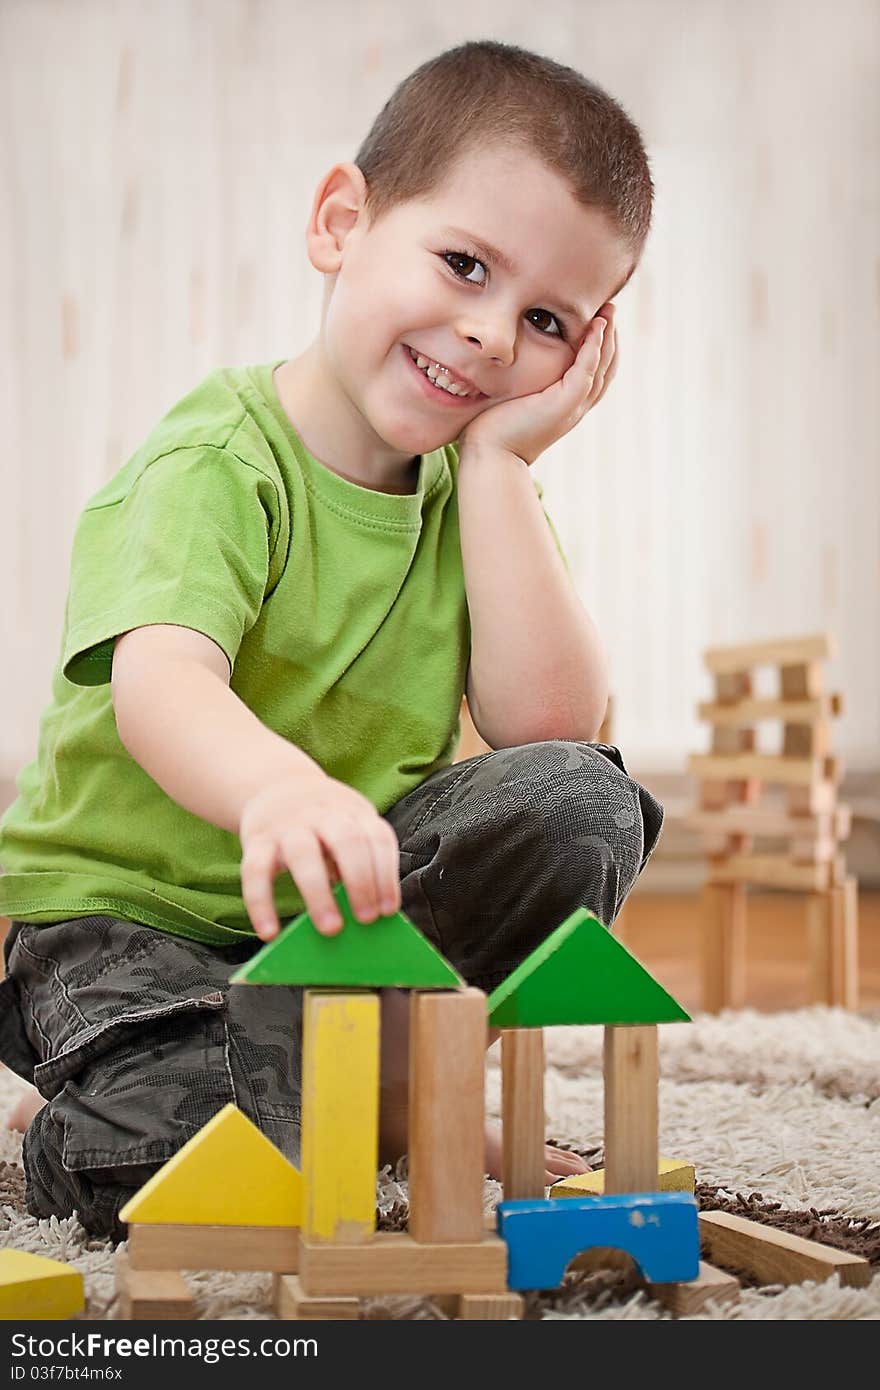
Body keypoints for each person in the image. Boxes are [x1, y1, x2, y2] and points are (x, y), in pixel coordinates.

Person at [0, 39, 663, 1240]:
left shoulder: (477, 492)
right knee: (181, 1153)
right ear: (340, 221)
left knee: (586, 802)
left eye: (548, 319)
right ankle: (97, 1105)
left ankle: (382, 1085)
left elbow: (551, 728)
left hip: (336, 924)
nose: (491, 335)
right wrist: (277, 790)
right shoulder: (218, 459)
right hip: (129, 922)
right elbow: (161, 682)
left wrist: (503, 466)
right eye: (463, 264)